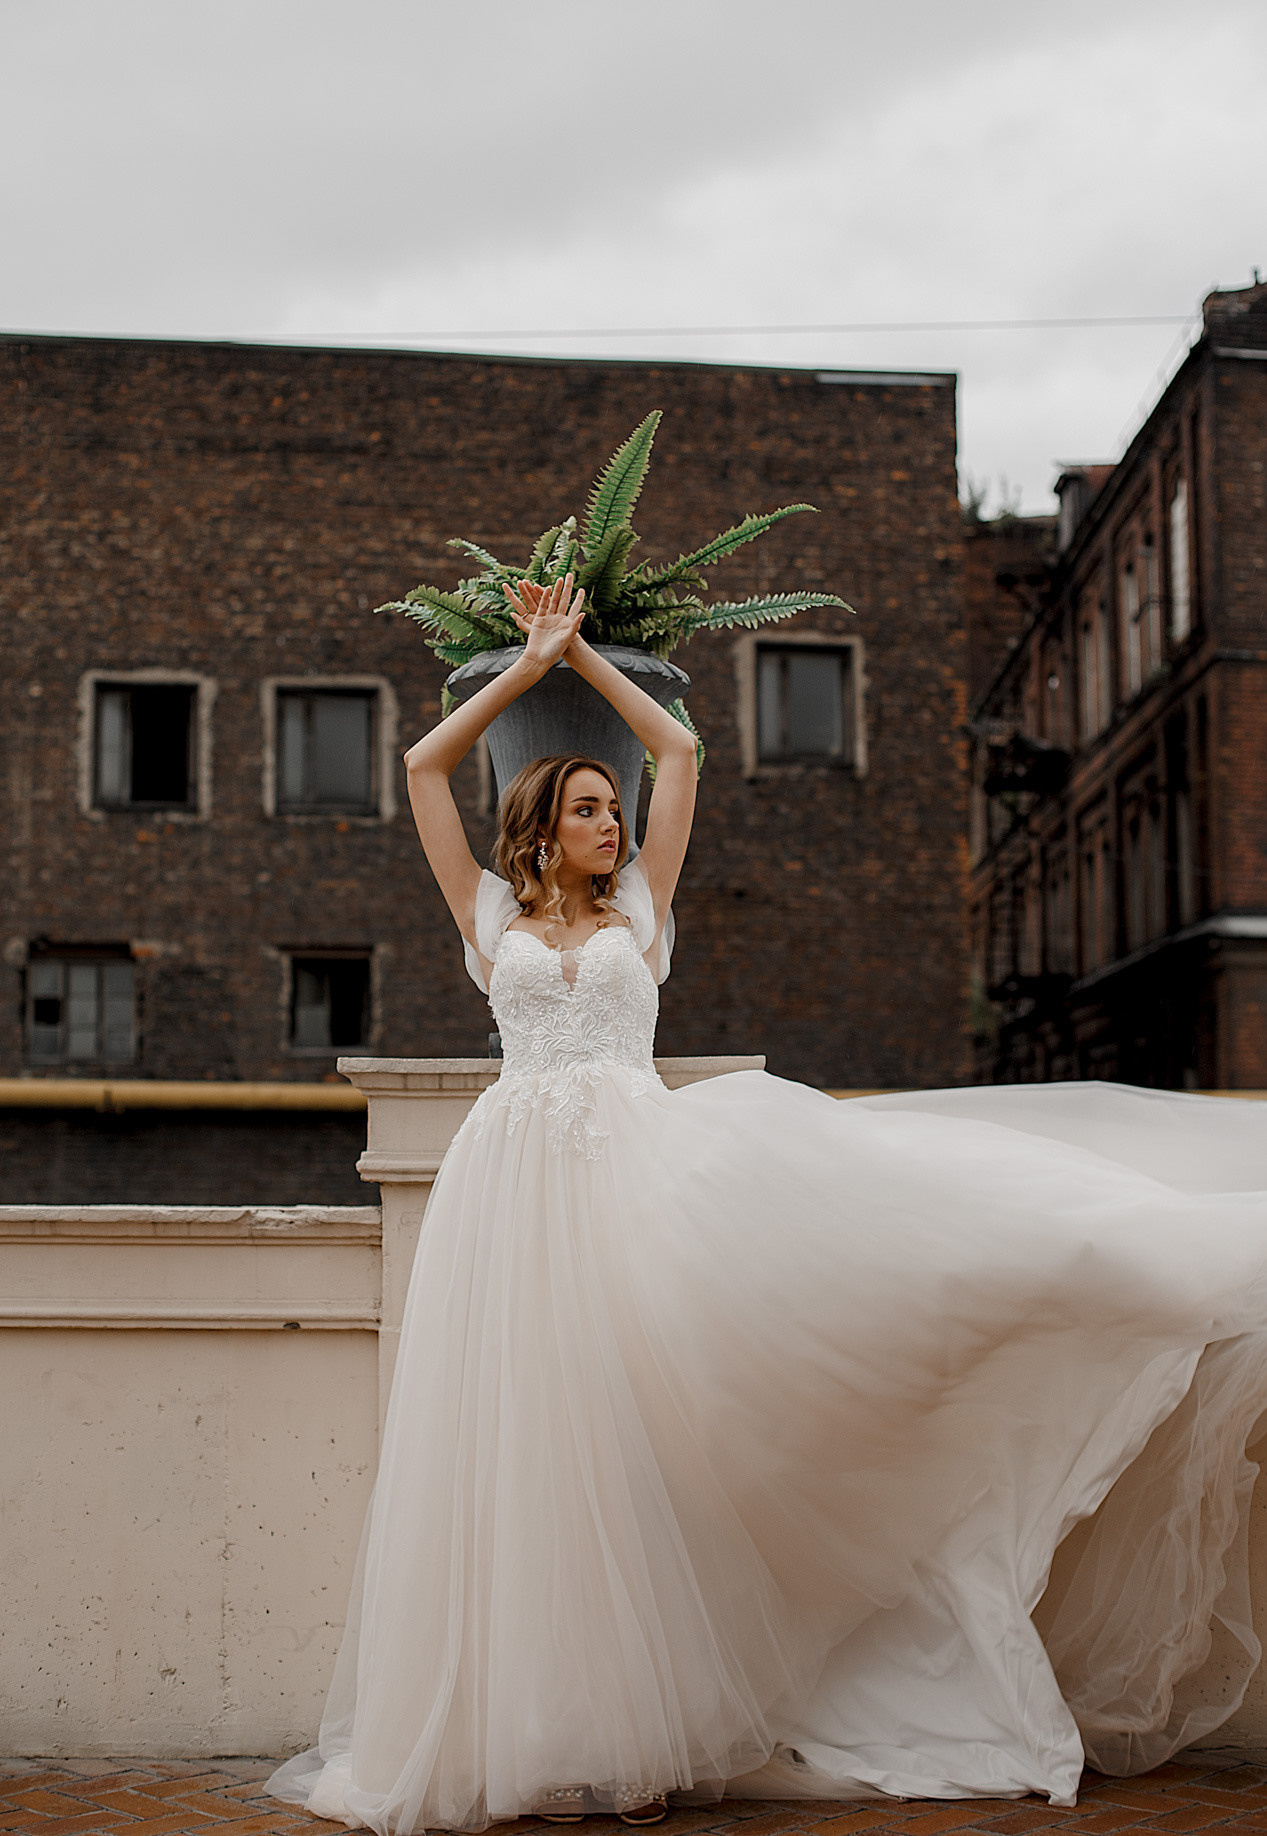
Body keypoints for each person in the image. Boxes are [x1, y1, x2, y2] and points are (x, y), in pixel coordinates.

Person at [269, 574, 1267, 1836]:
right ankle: (533, 1732)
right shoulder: (488, 916)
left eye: (611, 809)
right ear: (537, 831)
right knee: (525, 1456)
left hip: (639, 1187)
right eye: (585, 809)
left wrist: (585, 655)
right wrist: (526, 669)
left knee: (640, 1458)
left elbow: (679, 746)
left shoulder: (642, 909)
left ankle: (636, 1734)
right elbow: (421, 767)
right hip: (509, 1205)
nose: (610, 825)